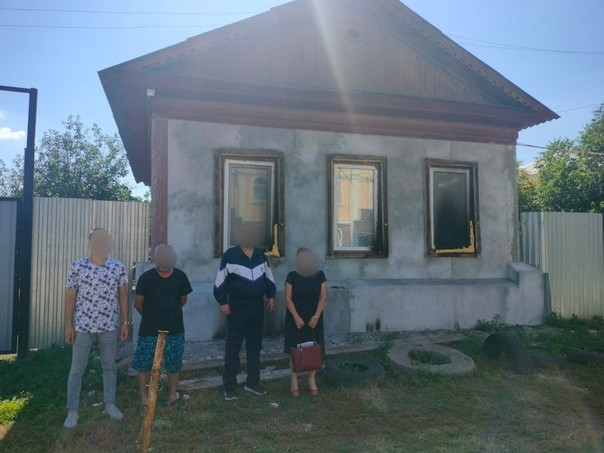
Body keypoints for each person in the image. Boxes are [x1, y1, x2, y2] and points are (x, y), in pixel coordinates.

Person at [63, 228, 130, 429]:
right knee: (77, 369)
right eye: (97, 240)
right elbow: (70, 296)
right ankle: (72, 411)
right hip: (83, 326)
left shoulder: (118, 267)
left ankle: (110, 404)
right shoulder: (77, 266)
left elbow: (123, 296)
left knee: (109, 367)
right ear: (89, 243)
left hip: (109, 325)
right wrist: (69, 325)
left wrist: (125, 322)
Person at [214, 223, 276, 401]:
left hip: (257, 307)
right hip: (237, 307)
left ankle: (253, 383)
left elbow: (268, 277)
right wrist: (222, 302)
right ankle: (229, 387)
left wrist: (271, 296)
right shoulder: (230, 255)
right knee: (233, 347)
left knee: (254, 346)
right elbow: (220, 280)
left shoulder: (260, 255)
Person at [132, 244, 193, 411]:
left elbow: (183, 299)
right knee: (144, 364)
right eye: (161, 256)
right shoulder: (145, 278)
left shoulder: (180, 276)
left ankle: (172, 397)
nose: (164, 259)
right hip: (149, 330)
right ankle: (144, 399)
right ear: (155, 259)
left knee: (174, 363)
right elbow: (138, 303)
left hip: (175, 329)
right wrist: (151, 316)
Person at [284, 247, 327, 396]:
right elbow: (288, 298)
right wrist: (296, 317)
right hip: (295, 318)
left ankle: (311, 379)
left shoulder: (320, 275)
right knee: (294, 349)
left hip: (314, 318)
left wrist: (316, 316)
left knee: (314, 348)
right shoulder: (292, 276)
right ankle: (294, 380)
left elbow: (323, 297)